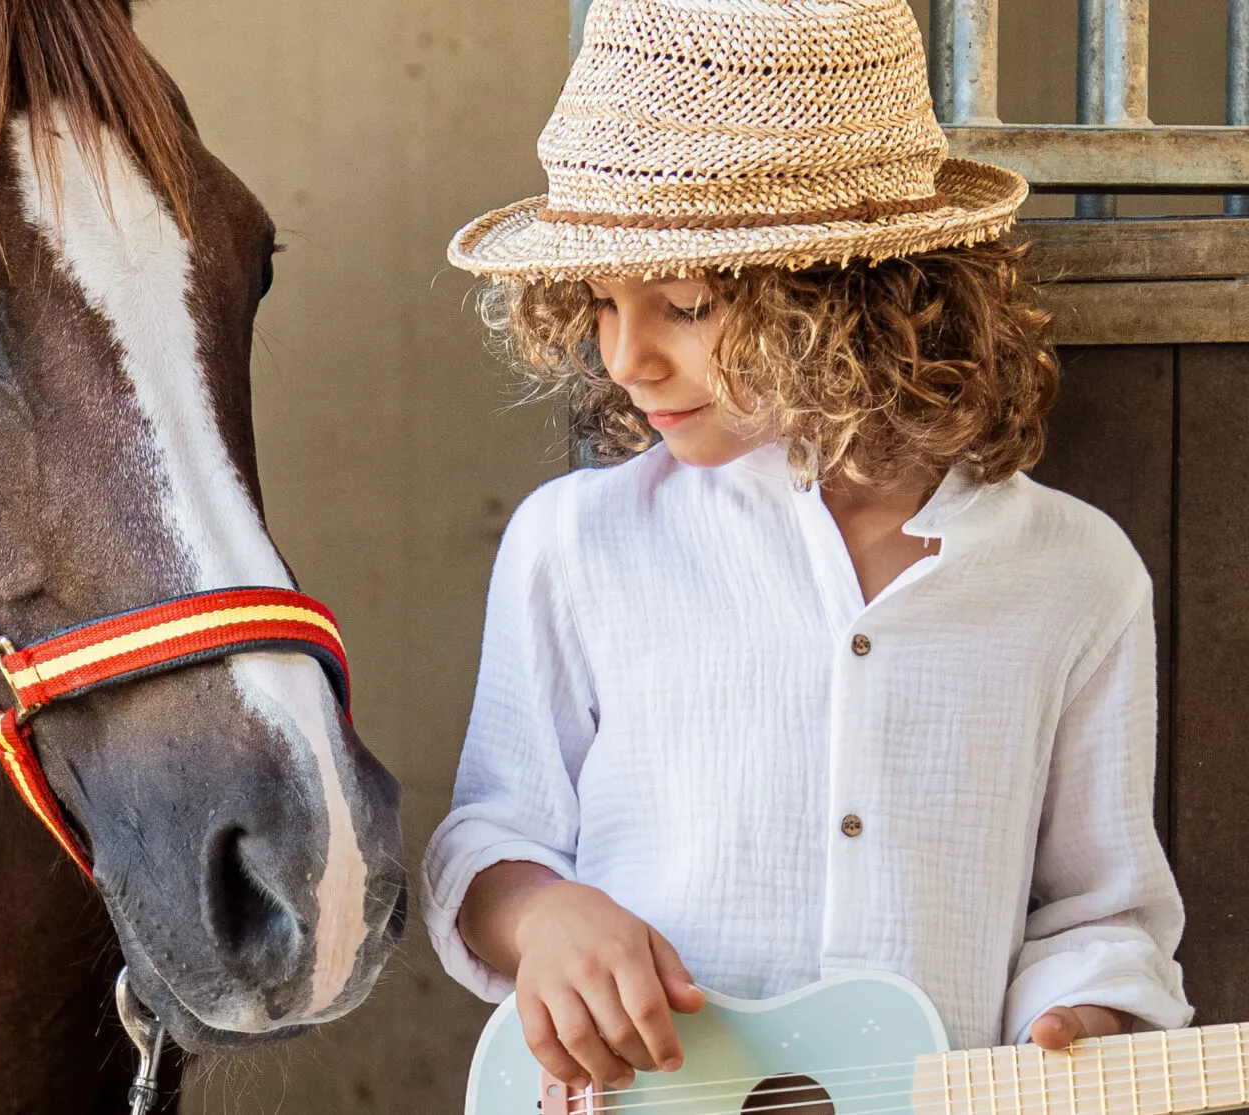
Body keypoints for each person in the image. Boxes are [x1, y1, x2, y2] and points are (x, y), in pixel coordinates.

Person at [421, 0, 1192, 1094]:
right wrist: (545, 915)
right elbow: (486, 839)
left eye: (683, 304)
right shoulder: (575, 544)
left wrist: (1083, 1019)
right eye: (598, 300)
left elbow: (1095, 907)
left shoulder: (1077, 576)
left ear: (853, 303)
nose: (626, 355)